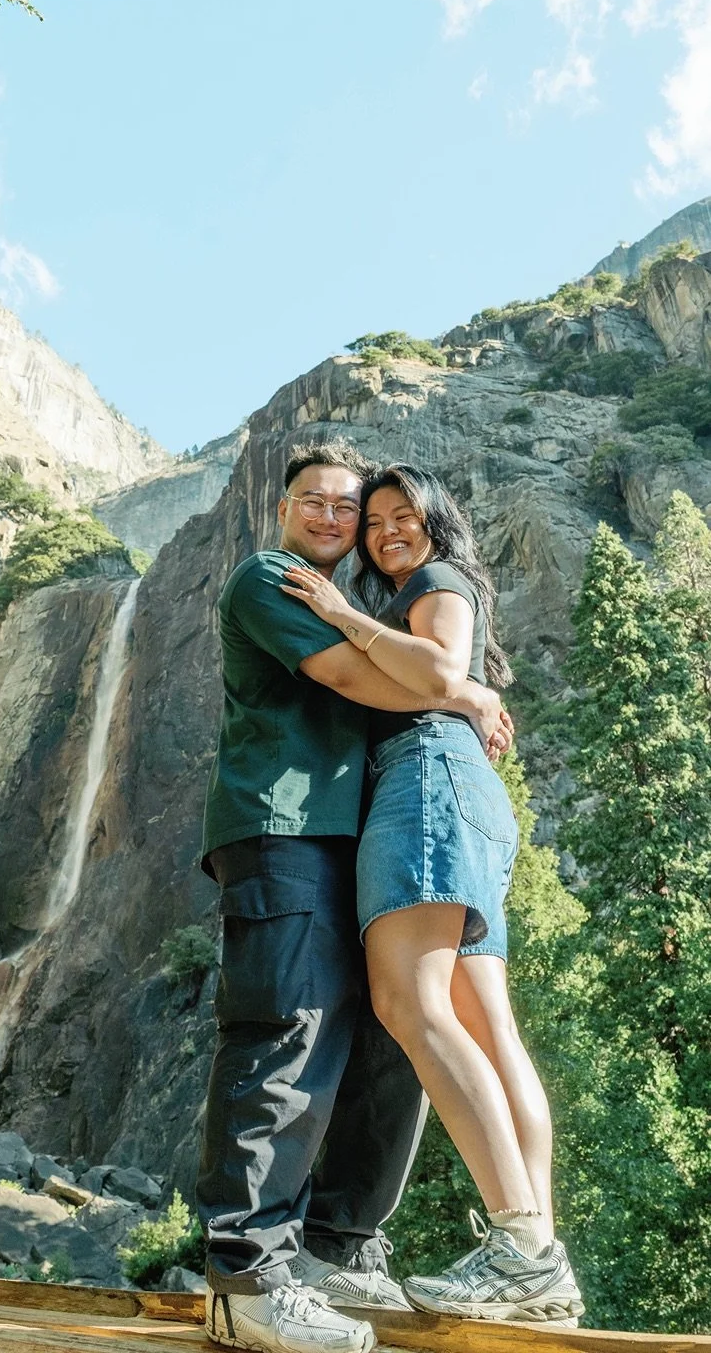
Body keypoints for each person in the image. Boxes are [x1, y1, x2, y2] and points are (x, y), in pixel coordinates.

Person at [197, 441, 513, 1353]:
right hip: (283, 828)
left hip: (361, 839)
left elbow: (407, 678)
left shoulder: (368, 605)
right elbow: (353, 679)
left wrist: (444, 684)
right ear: (285, 508)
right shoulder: (274, 580)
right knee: (285, 1026)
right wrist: (458, 692)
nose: (336, 520)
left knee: (390, 1041)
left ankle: (337, 1247)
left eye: (353, 509)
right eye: (318, 503)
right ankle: (247, 1273)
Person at [281, 463, 583, 1323]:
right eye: (372, 521)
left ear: (437, 519)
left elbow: (441, 668)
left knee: (408, 1005)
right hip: (460, 795)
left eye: (401, 513)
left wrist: (338, 613)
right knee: (488, 1031)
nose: (384, 531)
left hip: (423, 785)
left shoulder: (436, 581)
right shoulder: (415, 593)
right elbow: (455, 680)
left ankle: (520, 1247)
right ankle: (540, 1265)